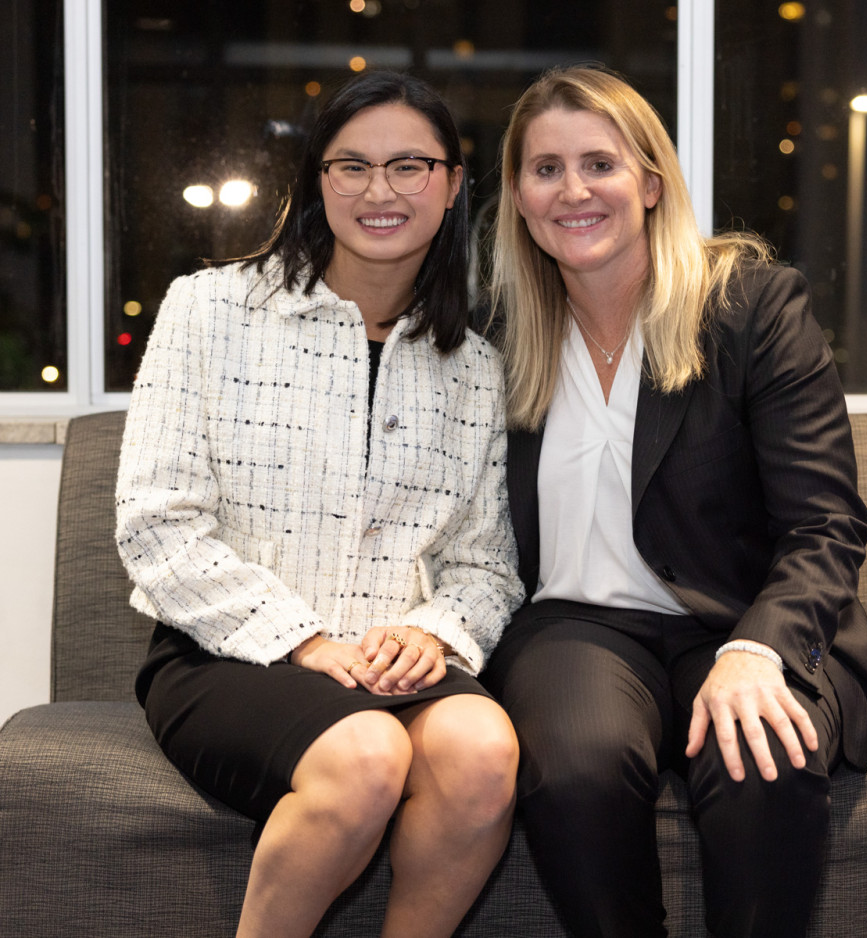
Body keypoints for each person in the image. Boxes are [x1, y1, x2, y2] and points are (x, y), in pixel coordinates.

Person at [481, 65, 867, 938]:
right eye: (545, 169)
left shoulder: (750, 307)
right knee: (577, 766)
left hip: (741, 618)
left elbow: (827, 520)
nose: (574, 190)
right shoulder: (496, 335)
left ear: (651, 182)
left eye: (601, 163)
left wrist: (761, 649)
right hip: (577, 630)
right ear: (518, 195)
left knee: (765, 757)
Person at [115, 71, 525, 938]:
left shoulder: (474, 367)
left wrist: (435, 634)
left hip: (392, 660)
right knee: (367, 754)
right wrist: (301, 639)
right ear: (317, 182)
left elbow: (487, 563)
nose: (380, 190)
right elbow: (157, 522)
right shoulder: (210, 309)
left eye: (410, 165)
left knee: (485, 753)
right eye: (352, 166)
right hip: (230, 654)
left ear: (452, 185)